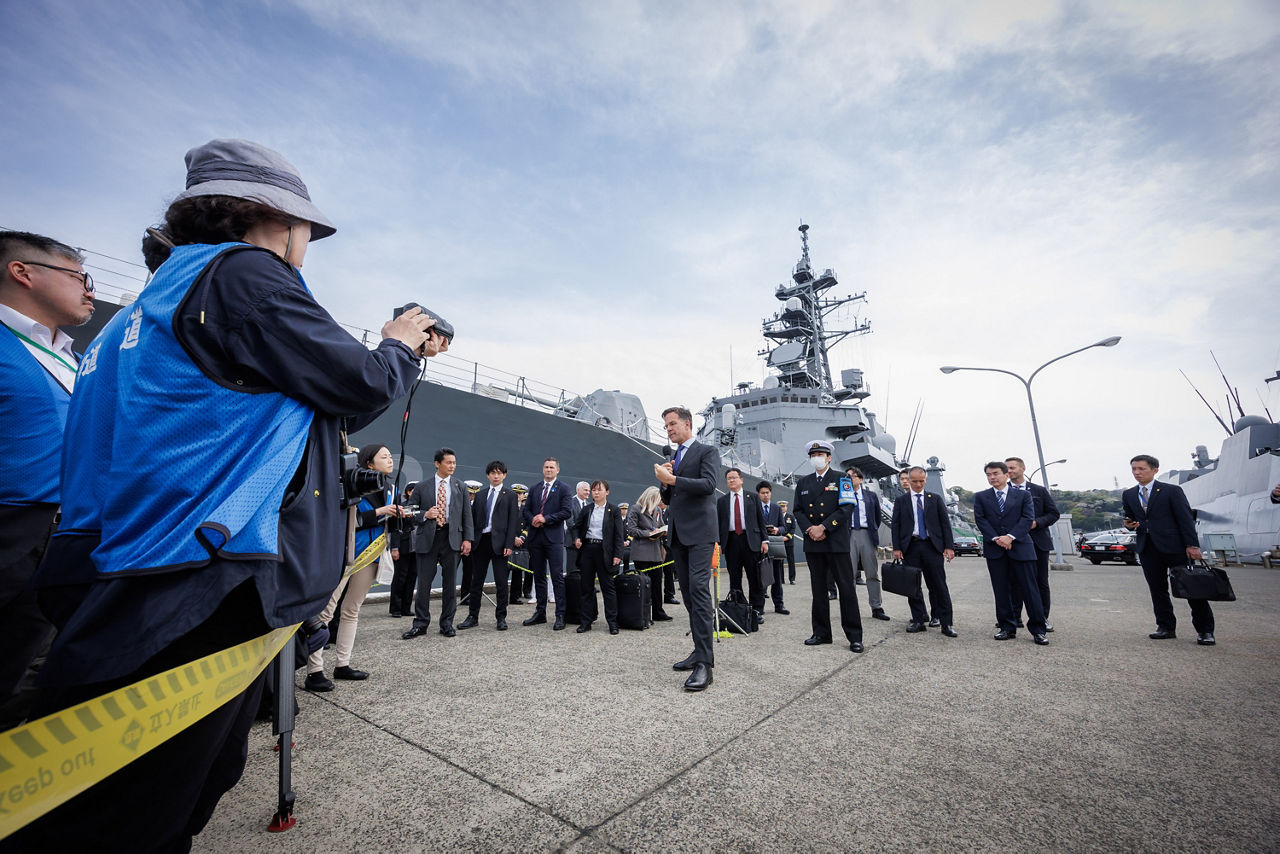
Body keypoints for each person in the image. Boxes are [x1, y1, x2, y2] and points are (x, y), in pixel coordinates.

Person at [17, 139, 439, 851]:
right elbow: (358, 383)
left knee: (134, 791)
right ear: (277, 220)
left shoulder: (144, 304)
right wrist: (397, 342)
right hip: (197, 577)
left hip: (115, 563)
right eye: (306, 231)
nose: (305, 247)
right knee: (148, 806)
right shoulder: (244, 272)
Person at [0, 231, 95, 730]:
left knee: (28, 675)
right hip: (12, 526)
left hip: (62, 535)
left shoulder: (73, 356)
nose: (89, 291)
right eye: (79, 276)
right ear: (23, 272)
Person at [306, 444, 404, 690]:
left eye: (391, 456)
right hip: (345, 554)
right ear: (368, 463)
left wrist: (400, 516)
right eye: (384, 456)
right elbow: (346, 520)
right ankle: (314, 671)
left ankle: (343, 664)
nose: (390, 460)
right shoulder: (352, 484)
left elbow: (387, 526)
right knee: (326, 612)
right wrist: (380, 512)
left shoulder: (391, 488)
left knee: (352, 610)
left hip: (372, 557)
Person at [656, 406, 719, 691]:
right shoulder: (676, 457)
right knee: (689, 596)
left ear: (687, 424)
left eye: (672, 424)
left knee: (699, 592)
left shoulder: (707, 451)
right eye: (666, 426)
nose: (668, 429)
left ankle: (706, 664)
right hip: (679, 534)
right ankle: (698, 650)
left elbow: (708, 485)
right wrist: (664, 482)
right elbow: (669, 497)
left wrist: (673, 479)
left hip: (701, 533)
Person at [1122, 454, 1213, 645]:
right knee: (1157, 590)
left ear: (1154, 470)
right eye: (1133, 469)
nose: (1136, 473)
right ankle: (1165, 627)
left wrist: (1192, 545)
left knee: (1192, 588)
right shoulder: (1129, 494)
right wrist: (1129, 525)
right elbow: (1131, 518)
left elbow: (1185, 519)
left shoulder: (1171, 491)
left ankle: (1205, 631)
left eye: (1141, 469)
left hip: (1176, 547)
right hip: (1148, 548)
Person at [793, 441, 865, 653]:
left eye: (821, 454)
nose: (817, 457)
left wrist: (824, 527)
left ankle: (854, 636)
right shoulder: (803, 483)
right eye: (813, 454)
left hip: (835, 541)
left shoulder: (842, 478)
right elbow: (798, 511)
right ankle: (821, 633)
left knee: (846, 588)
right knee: (818, 590)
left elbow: (847, 507)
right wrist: (810, 529)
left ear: (829, 457)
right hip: (813, 543)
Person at [974, 461, 1048, 645]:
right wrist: (996, 538)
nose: (992, 477)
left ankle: (1038, 629)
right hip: (995, 549)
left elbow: (1027, 518)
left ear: (1007, 475)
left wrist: (1010, 536)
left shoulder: (1023, 495)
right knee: (1001, 590)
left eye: (996, 473)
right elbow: (981, 520)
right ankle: (1007, 627)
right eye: (989, 474)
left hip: (1021, 547)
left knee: (1030, 589)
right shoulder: (981, 497)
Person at [402, 448, 473, 639]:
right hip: (428, 538)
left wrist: (467, 539)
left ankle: (447, 623)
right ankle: (420, 623)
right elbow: (407, 512)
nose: (452, 466)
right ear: (437, 464)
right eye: (448, 462)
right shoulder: (422, 487)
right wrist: (424, 514)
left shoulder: (460, 486)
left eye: (454, 463)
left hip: (452, 539)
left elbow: (467, 515)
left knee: (450, 584)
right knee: (424, 584)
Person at [891, 465, 957, 636]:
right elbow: (896, 525)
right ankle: (918, 620)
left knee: (939, 585)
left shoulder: (935, 499)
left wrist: (949, 546)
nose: (918, 484)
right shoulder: (901, 501)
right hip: (910, 546)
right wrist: (897, 547)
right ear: (908, 480)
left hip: (932, 546)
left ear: (925, 480)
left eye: (921, 481)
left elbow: (945, 524)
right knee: (912, 586)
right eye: (914, 481)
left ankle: (946, 623)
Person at [459, 462, 520, 631]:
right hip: (481, 542)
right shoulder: (480, 495)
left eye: (499, 473)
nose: (496, 476)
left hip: (500, 544)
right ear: (487, 475)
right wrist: (469, 540)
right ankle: (473, 616)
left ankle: (501, 617)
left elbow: (512, 521)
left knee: (501, 582)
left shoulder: (510, 496)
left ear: (505, 475)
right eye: (493, 473)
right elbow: (472, 520)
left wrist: (509, 544)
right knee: (476, 581)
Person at [1006, 457, 1061, 632]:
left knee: (1040, 582)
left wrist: (1037, 522)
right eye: (1007, 468)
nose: (1010, 471)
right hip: (1013, 542)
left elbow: (1053, 513)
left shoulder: (1039, 491)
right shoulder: (1002, 492)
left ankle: (1041, 618)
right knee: (1012, 582)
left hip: (1037, 542)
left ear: (1023, 468)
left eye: (1013, 468)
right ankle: (1013, 618)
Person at [523, 458, 575, 630]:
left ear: (557, 470)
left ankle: (560, 614)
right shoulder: (535, 488)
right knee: (538, 576)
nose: (549, 470)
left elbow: (566, 511)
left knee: (557, 576)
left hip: (553, 539)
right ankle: (540, 613)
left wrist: (546, 519)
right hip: (536, 538)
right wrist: (534, 520)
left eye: (552, 467)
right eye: (546, 467)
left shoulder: (564, 489)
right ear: (542, 469)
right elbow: (526, 510)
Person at [717, 468, 770, 625]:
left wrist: (765, 541)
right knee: (734, 578)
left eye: (734, 477)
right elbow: (719, 525)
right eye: (728, 478)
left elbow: (761, 521)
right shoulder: (722, 501)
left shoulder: (753, 498)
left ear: (741, 479)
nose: (731, 481)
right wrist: (719, 543)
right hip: (732, 541)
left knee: (755, 578)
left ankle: (756, 610)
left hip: (751, 541)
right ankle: (739, 608)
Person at [573, 480, 625, 634]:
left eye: (599, 490)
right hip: (588, 549)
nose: (595, 493)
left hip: (604, 551)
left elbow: (618, 535)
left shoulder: (614, 510)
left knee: (608, 588)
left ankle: (612, 622)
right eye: (594, 490)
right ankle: (586, 621)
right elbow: (577, 526)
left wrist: (617, 554)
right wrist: (577, 538)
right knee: (586, 588)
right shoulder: (587, 509)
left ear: (607, 492)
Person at [844, 466, 889, 621]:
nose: (848, 479)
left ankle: (876, 607)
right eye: (846, 477)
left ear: (860, 479)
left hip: (867, 535)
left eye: (851, 476)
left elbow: (877, 518)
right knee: (848, 574)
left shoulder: (871, 496)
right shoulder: (843, 495)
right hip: (849, 535)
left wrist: (871, 531)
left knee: (872, 573)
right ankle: (850, 608)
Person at [627, 486, 672, 622]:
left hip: (655, 551)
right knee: (643, 584)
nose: (659, 502)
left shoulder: (657, 509)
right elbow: (631, 530)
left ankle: (658, 612)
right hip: (641, 552)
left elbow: (661, 524)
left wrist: (663, 530)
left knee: (657, 583)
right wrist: (648, 534)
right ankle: (643, 613)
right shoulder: (636, 509)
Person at [756, 481, 789, 615]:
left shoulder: (776, 508)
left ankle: (779, 605)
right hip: (759, 545)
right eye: (762, 493)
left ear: (770, 493)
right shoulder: (754, 507)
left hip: (775, 545)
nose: (765, 495)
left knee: (777, 577)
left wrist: (777, 529)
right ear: (758, 494)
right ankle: (759, 607)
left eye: (767, 493)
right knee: (760, 577)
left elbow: (783, 527)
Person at [388, 481, 419, 617]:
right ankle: (396, 608)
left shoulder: (423, 508)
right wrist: (395, 548)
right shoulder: (400, 507)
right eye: (414, 491)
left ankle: (406, 608)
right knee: (400, 577)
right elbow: (395, 528)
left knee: (412, 577)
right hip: (403, 545)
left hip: (417, 548)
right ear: (408, 492)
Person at [457, 480, 483, 610]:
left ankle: (466, 596)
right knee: (450, 571)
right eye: (469, 493)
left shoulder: (479, 506)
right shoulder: (458, 504)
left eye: (473, 494)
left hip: (471, 543)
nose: (471, 496)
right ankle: (448, 596)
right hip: (456, 541)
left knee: (469, 571)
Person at [508, 484, 531, 604]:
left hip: (521, 543)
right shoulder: (506, 508)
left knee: (518, 571)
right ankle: (501, 596)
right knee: (504, 571)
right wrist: (513, 538)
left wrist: (522, 537)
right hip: (508, 542)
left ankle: (515, 597)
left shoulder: (525, 510)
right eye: (516, 493)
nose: (518, 496)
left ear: (523, 495)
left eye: (520, 493)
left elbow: (528, 525)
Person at [778, 500, 798, 584]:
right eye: (781, 506)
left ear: (786, 507)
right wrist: (780, 537)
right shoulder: (776, 516)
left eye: (784, 506)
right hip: (779, 542)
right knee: (779, 561)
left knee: (791, 561)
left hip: (789, 542)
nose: (782, 508)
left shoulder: (791, 517)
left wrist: (787, 537)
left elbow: (793, 529)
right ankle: (781, 579)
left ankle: (792, 579)